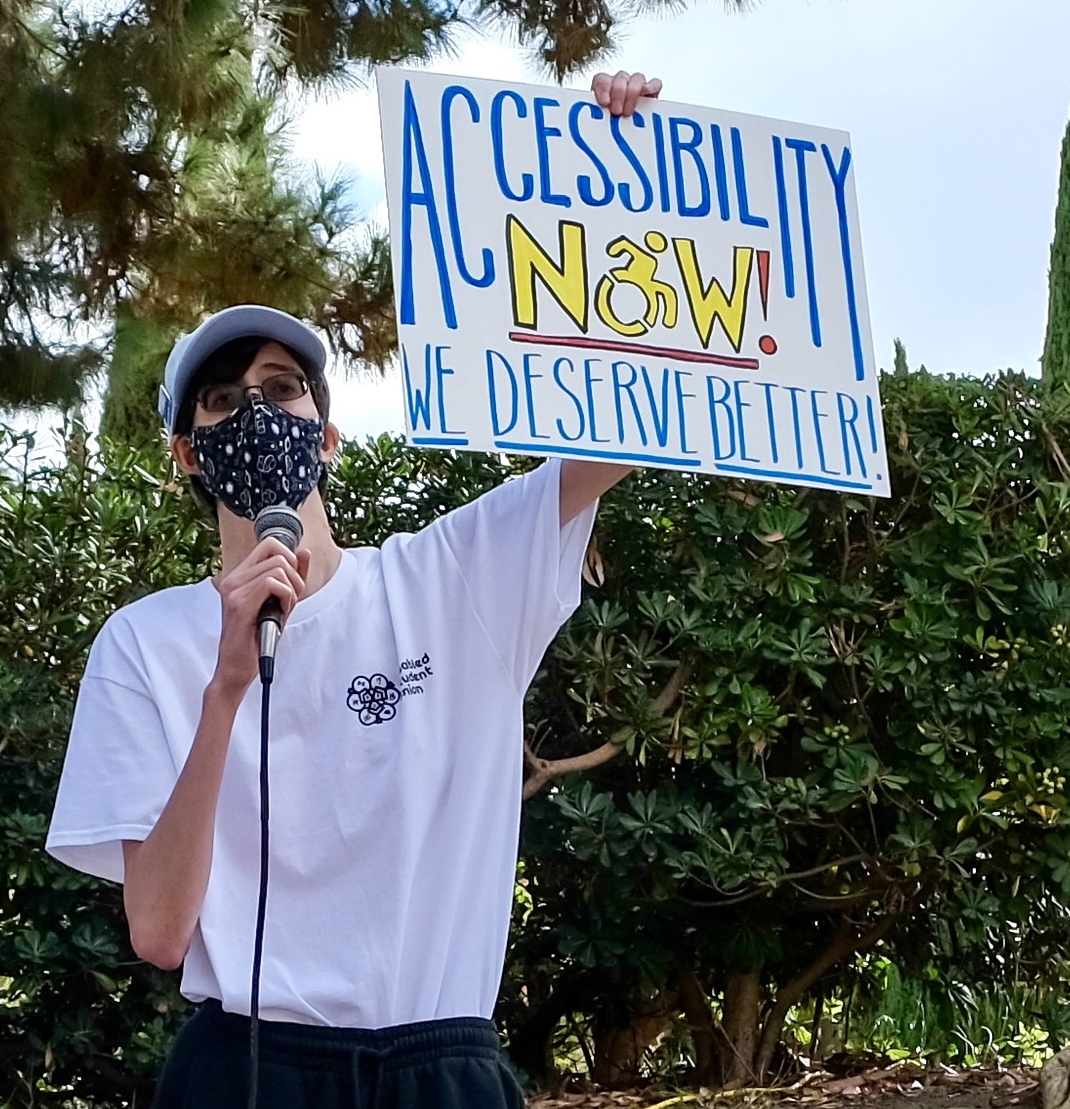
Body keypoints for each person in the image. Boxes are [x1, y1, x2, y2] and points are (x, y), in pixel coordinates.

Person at [47, 69, 664, 1109]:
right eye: (221, 398)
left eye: (281, 389)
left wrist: (615, 179)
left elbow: (630, 408)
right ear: (186, 455)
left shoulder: (454, 577)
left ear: (327, 435)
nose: (254, 409)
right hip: (247, 1066)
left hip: (441, 1065)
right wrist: (227, 684)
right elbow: (156, 930)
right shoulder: (145, 643)